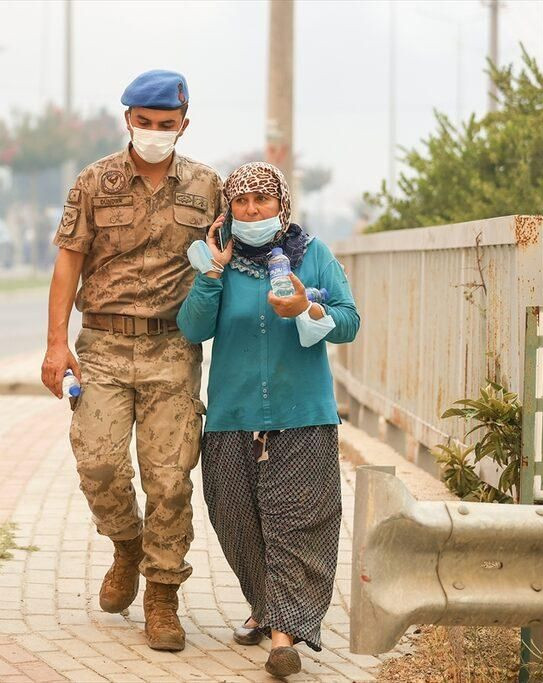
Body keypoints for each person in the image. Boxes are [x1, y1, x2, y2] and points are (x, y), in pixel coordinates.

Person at [41, 70, 222, 651]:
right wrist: (54, 343)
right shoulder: (96, 182)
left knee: (170, 480)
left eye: (165, 125)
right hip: (104, 346)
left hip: (174, 346)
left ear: (183, 125)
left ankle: (162, 595)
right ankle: (126, 543)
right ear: (128, 121)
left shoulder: (207, 186)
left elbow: (229, 259)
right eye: (144, 123)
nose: (153, 133)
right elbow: (68, 262)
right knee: (96, 462)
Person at [176, 162, 360, 678]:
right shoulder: (217, 262)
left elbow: (349, 320)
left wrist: (310, 310)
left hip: (302, 415)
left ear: (281, 204)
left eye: (262, 199)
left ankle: (284, 636)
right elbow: (192, 328)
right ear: (228, 209)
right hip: (232, 416)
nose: (252, 209)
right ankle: (265, 606)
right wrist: (211, 273)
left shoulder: (314, 255)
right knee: (235, 520)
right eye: (242, 201)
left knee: (297, 524)